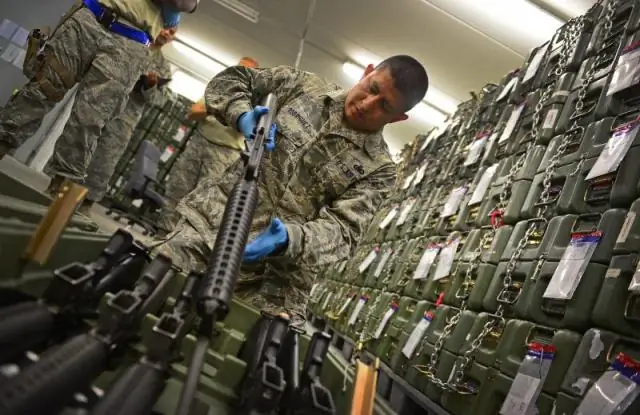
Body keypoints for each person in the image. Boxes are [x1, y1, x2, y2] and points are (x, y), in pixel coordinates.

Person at [158, 55, 428, 321]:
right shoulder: (302, 87)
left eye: (385, 106)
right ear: (367, 72)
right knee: (148, 284)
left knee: (242, 353)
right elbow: (230, 80)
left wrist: (288, 238)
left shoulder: (379, 169)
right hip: (210, 230)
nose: (368, 104)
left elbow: (343, 233)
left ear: (398, 118)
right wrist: (242, 116)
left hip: (274, 281)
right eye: (373, 89)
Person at [0, 0, 198, 193]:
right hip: (89, 17)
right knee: (41, 90)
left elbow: (185, 4)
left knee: (89, 119)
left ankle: (57, 197)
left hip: (130, 41)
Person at [78, 27, 175, 214]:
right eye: (166, 29)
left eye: (172, 33)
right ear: (157, 26)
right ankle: (58, 182)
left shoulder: (163, 67)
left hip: (126, 116)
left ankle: (88, 202)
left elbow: (158, 101)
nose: (166, 34)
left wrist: (150, 86)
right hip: (102, 99)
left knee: (106, 158)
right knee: (80, 140)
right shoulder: (131, 41)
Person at [159, 56, 259, 232]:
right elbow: (194, 112)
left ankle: (180, 245)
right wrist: (217, 110)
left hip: (224, 154)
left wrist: (219, 112)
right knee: (177, 188)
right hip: (199, 143)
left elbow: (245, 128)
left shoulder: (253, 103)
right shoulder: (219, 90)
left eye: (245, 72)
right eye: (238, 69)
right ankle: (162, 233)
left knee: (203, 202)